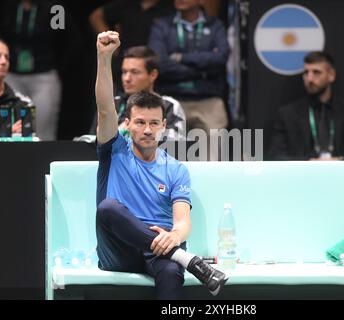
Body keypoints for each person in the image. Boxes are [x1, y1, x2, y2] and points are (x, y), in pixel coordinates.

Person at [94, 31, 228, 299]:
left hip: (162, 248)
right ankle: (187, 259)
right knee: (107, 207)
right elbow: (106, 108)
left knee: (170, 272)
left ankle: (178, 256)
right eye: (140, 122)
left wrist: (175, 236)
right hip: (119, 250)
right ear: (128, 124)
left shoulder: (176, 168)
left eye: (154, 123)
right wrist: (104, 56)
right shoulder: (115, 149)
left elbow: (182, 222)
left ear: (164, 126)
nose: (147, 129)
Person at [148, 0, 230, 159]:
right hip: (171, 101)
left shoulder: (215, 25)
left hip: (209, 101)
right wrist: (203, 71)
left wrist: (179, 58)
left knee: (215, 161)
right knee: (166, 160)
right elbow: (159, 63)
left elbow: (221, 58)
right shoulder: (161, 25)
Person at [268, 51, 344, 160]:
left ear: (331, 75)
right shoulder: (287, 115)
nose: (309, 79)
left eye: (316, 72)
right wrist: (307, 163)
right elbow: (276, 156)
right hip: (302, 175)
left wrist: (341, 161)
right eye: (306, 72)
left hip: (342, 175)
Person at [0, 0, 78, 140]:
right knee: (9, 129)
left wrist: (56, 66)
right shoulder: (10, 6)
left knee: (43, 130)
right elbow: (0, 35)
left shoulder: (54, 9)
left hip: (43, 76)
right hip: (12, 76)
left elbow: (66, 40)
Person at [90, 46, 186, 142]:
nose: (127, 78)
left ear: (153, 75)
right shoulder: (112, 104)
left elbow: (176, 145)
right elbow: (91, 142)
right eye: (124, 72)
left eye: (135, 72)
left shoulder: (169, 106)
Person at [0, 36, 34, 138]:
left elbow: (29, 143)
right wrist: (5, 133)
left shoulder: (23, 103)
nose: (3, 62)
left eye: (6, 57)